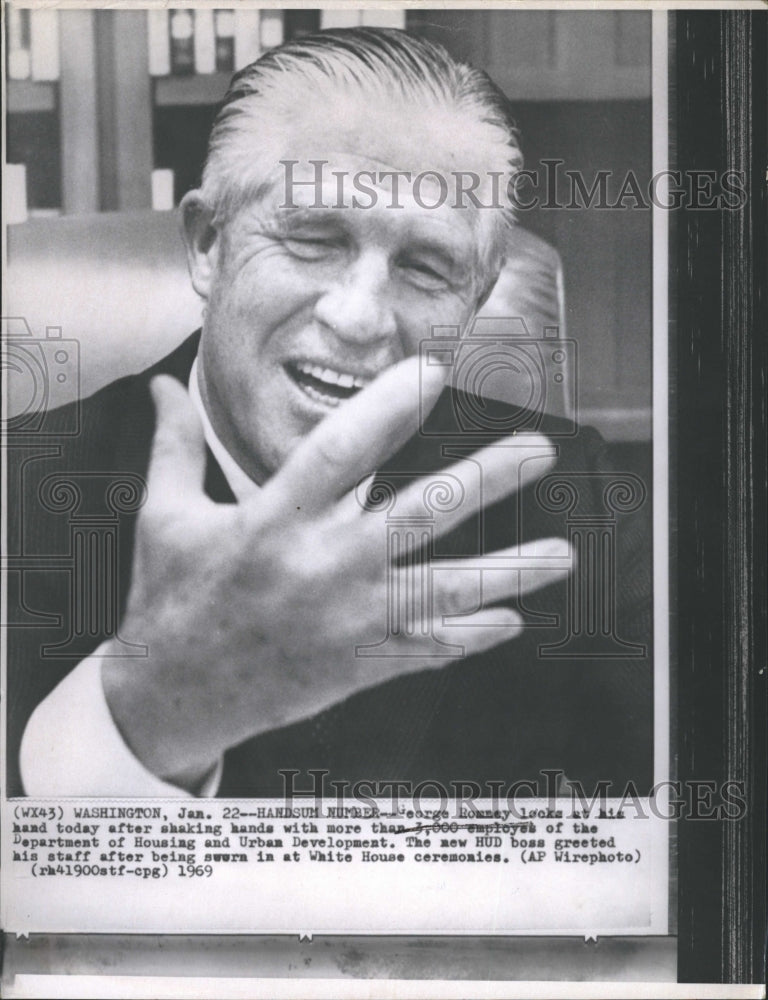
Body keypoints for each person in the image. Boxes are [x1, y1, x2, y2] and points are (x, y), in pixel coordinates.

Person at [8, 28, 652, 799]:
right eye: (314, 239)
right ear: (209, 244)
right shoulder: (21, 493)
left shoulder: (583, 508)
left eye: (423, 267)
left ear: (474, 300)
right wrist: (146, 714)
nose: (358, 318)